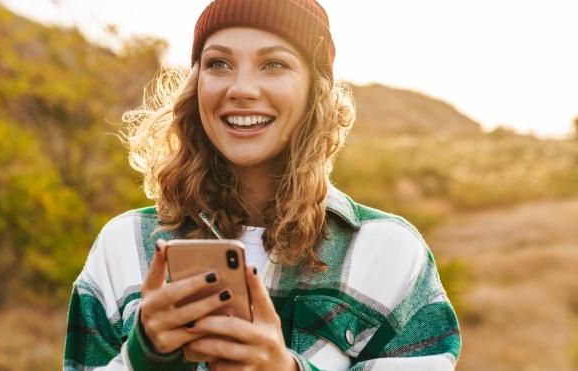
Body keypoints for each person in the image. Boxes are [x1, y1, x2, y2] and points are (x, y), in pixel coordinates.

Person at [64, 0, 461, 369]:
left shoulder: (388, 253)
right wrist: (143, 356)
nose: (241, 89)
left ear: (315, 91)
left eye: (273, 64)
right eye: (218, 63)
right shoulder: (124, 245)